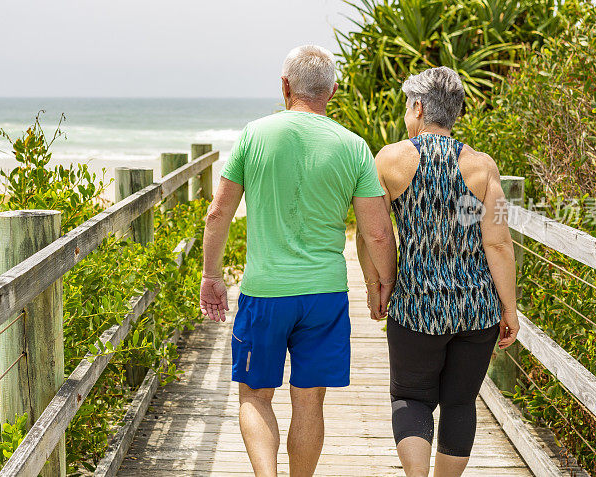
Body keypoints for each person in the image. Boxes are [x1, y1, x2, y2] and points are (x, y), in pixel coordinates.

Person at [199, 44, 397, 477]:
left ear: (284, 86)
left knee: (254, 395)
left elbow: (218, 213)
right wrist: (384, 282)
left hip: (264, 292)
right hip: (325, 294)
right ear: (333, 91)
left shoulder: (254, 135)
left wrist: (212, 274)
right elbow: (377, 231)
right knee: (309, 398)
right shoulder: (354, 146)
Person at [356, 66, 519, 477]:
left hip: (415, 306)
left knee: (411, 398)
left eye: (407, 107)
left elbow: (371, 233)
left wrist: (378, 284)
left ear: (418, 106)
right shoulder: (484, 167)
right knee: (460, 403)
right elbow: (498, 243)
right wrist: (510, 309)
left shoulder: (389, 160)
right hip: (475, 309)